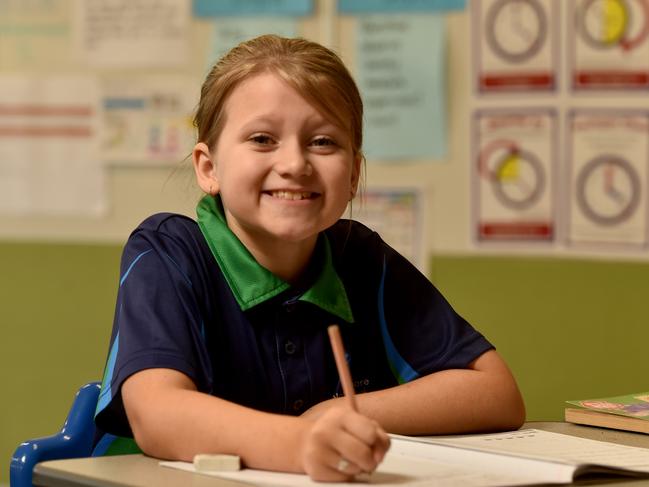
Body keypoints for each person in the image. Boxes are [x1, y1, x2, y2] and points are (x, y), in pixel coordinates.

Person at [95, 34, 525, 482]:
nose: (295, 163)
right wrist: (301, 443)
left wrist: (333, 414)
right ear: (209, 168)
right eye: (262, 139)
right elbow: (157, 414)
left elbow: (496, 393)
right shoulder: (169, 252)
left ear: (354, 173)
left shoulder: (360, 256)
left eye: (322, 142)